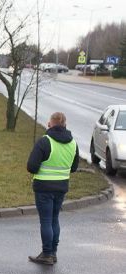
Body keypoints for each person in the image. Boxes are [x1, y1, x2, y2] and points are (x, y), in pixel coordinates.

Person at [27, 112, 79, 265]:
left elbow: (31, 166)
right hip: (61, 187)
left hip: (44, 187)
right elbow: (74, 167)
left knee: (46, 220)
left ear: (50, 124)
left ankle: (47, 254)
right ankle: (53, 253)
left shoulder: (45, 141)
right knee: (54, 219)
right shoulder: (73, 143)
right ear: (65, 125)